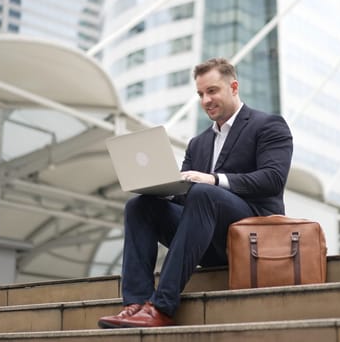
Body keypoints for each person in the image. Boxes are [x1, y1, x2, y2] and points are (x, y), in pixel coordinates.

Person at [98, 57, 293, 328]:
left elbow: (272, 179)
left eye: (212, 91)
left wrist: (213, 179)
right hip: (206, 240)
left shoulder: (269, 125)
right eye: (200, 94)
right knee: (140, 206)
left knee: (203, 193)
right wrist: (164, 188)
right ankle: (135, 304)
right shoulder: (198, 143)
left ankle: (161, 307)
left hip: (252, 237)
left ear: (234, 87)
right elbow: (186, 196)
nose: (205, 100)